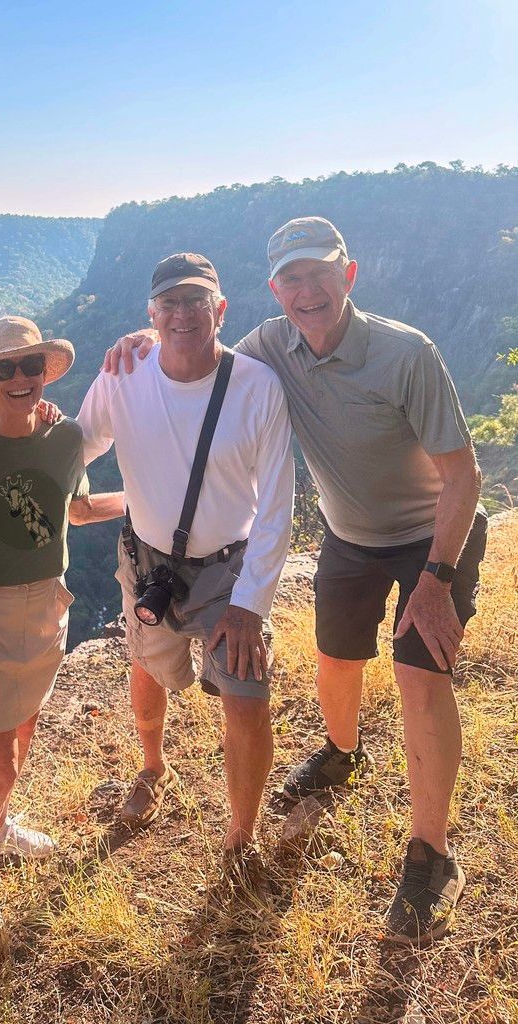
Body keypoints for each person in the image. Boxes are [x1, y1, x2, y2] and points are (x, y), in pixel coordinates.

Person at [107, 218, 486, 945]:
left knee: (417, 673)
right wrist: (142, 342)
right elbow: (196, 349)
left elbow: (461, 476)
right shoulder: (269, 348)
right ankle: (340, 755)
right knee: (336, 660)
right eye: (290, 278)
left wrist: (436, 580)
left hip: (430, 536)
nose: (305, 290)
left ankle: (431, 854)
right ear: (274, 289)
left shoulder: (406, 353)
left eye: (319, 274)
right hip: (348, 537)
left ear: (348, 275)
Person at [77, 253, 295, 888]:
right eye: (168, 304)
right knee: (147, 662)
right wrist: (4, 426)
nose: (182, 315)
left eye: (196, 302)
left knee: (248, 696)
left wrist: (251, 604)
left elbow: (278, 506)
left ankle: (241, 836)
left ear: (220, 311)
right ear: (151, 315)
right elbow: (76, 444)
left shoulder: (258, 388)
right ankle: (153, 767)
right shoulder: (125, 374)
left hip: (231, 568)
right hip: (148, 562)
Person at [0, 316, 123, 933]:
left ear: (45, 371)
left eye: (30, 366)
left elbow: (79, 509)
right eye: (4, 369)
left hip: (43, 607)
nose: (20, 379)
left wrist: (159, 499)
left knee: (24, 737)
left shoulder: (64, 439)